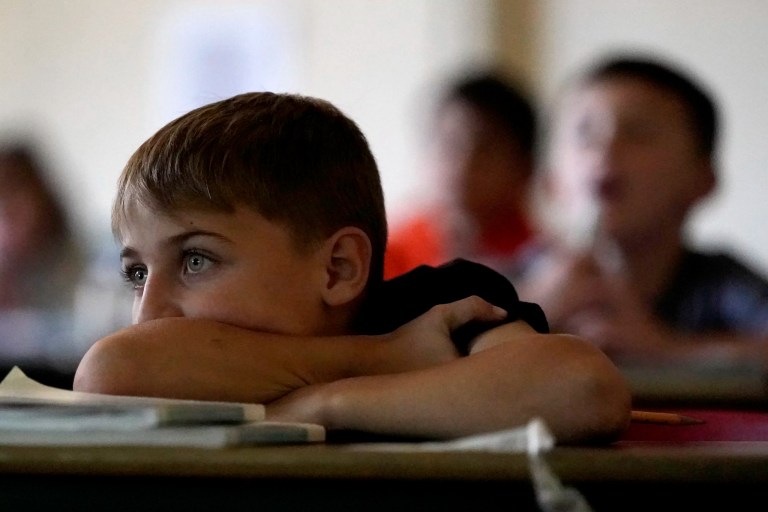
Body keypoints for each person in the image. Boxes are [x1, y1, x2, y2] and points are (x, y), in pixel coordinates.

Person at [73, 91, 630, 444]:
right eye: (137, 273)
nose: (149, 311)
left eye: (196, 259)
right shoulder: (412, 344)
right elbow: (110, 374)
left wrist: (323, 404)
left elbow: (582, 388)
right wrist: (383, 357)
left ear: (338, 268)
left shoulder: (439, 304)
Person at [513, 54, 768, 371]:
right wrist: (527, 313)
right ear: (551, 181)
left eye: (639, 132)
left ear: (703, 181)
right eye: (584, 132)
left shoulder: (721, 286)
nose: (606, 147)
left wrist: (666, 349)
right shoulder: (513, 282)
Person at [0, 140, 132, 388]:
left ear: (45, 193)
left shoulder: (105, 256)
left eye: (13, 197)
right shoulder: (10, 273)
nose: (7, 217)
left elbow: (98, 337)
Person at [384, 70, 538, 279]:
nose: (463, 163)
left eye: (485, 148)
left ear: (524, 168)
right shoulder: (388, 254)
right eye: (450, 142)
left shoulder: (542, 260)